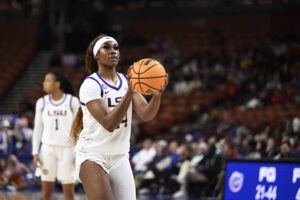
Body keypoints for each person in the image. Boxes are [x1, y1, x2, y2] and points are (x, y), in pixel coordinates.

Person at [70, 34, 167, 200]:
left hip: (120, 156)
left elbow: (146, 114)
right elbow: (109, 124)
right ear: (97, 55)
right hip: (93, 155)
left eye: (115, 47)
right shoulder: (91, 84)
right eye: (106, 47)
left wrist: (157, 94)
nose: (113, 51)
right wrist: (129, 92)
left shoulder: (125, 81)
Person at [32, 71, 80, 200]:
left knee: (69, 192)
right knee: (46, 192)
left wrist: (79, 151)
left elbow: (79, 129)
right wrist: (35, 152)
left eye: (47, 80)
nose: (44, 83)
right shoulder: (41, 102)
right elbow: (38, 129)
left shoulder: (73, 101)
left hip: (68, 149)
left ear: (57, 84)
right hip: (47, 149)